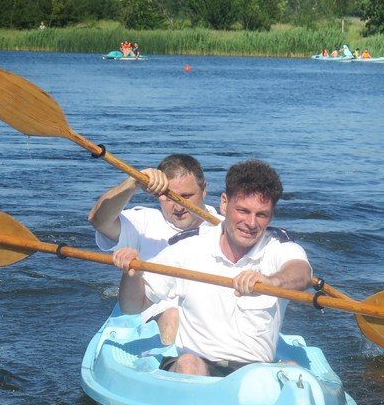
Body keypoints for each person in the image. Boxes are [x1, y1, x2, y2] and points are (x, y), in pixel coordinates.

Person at [113, 159, 312, 376]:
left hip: (254, 374)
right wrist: (133, 274)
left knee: (294, 372)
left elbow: (301, 273)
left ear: (271, 215)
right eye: (243, 211)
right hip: (195, 366)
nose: (251, 223)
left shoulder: (279, 247)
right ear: (224, 204)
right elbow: (132, 306)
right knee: (190, 364)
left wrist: (272, 282)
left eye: (261, 214)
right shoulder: (186, 247)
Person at [88, 154, 218, 343]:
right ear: (157, 194)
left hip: (211, 318)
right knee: (173, 316)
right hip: (154, 318)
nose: (178, 206)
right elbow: (98, 220)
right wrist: (133, 181)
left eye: (186, 196)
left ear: (204, 189)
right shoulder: (143, 222)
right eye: (168, 197)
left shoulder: (226, 230)